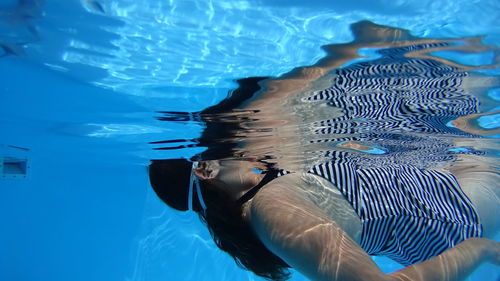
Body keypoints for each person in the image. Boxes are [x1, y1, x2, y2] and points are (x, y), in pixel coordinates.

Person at [148, 21, 500, 281]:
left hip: (438, 183)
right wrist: (479, 250)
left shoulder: (264, 196)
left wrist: (347, 51)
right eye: (218, 152)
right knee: (476, 78)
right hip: (458, 212)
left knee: (464, 75)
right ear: (205, 170)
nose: (234, 150)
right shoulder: (273, 211)